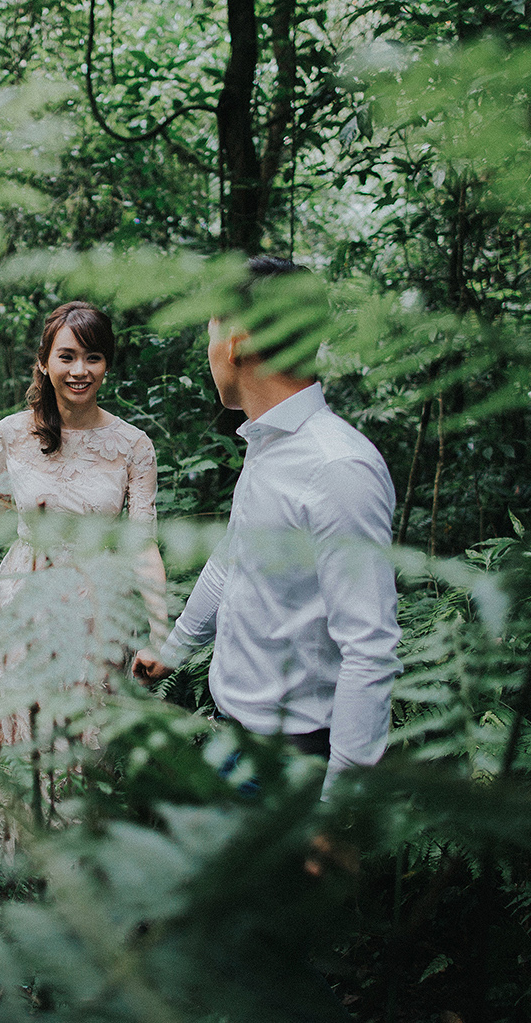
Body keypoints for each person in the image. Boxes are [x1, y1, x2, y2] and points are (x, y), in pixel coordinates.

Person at [132, 256, 402, 795]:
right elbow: (232, 560)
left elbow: (369, 649)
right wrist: (174, 651)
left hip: (291, 767)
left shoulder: (336, 467)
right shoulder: (269, 443)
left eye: (211, 331)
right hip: (235, 741)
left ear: (235, 341)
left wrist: (335, 811)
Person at [0, 300, 167, 746]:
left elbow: (143, 543)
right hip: (20, 605)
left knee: (86, 748)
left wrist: (158, 630)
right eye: (67, 356)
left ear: (107, 364)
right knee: (24, 750)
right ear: (44, 362)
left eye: (93, 357)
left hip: (98, 612)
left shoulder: (134, 445)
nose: (80, 370)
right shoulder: (12, 434)